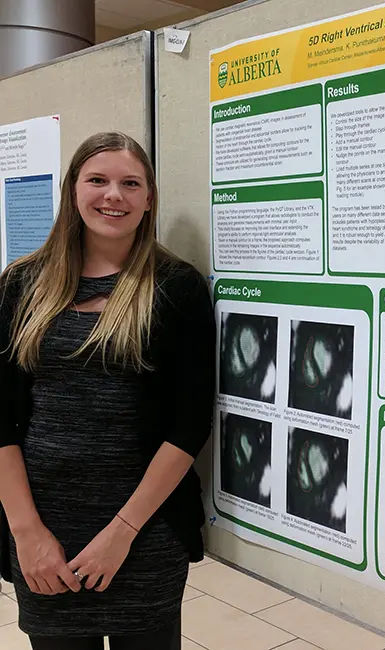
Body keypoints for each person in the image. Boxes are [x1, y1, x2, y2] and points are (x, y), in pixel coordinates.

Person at [0, 132, 215, 650]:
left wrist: (121, 535)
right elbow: (1, 417)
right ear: (74, 190)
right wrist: (27, 534)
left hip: (143, 530)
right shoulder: (22, 284)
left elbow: (189, 426)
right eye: (97, 180)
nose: (113, 195)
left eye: (130, 183)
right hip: (44, 527)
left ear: (149, 198)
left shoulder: (176, 288)